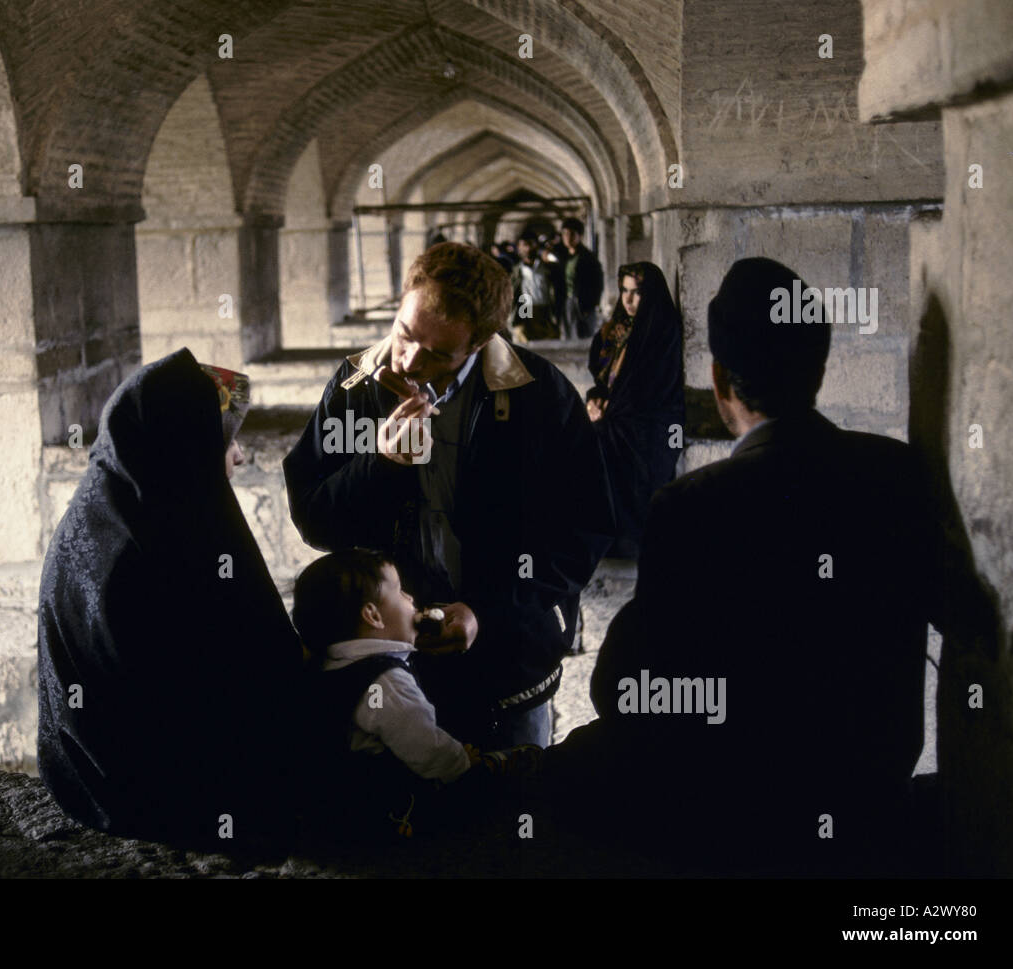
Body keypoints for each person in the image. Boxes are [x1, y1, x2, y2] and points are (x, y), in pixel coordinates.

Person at [543, 258, 944, 874]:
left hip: (749, 805)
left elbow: (628, 687)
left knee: (571, 768)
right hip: (869, 785)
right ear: (819, 366)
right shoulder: (896, 470)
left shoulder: (692, 504)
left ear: (720, 379)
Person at [283, 242, 612, 751]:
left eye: (438, 353)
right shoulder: (356, 390)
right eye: (405, 332)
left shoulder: (537, 395)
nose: (410, 359)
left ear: (480, 341)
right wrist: (380, 463)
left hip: (507, 662)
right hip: (388, 662)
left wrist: (487, 613)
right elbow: (316, 523)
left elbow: (580, 533)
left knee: (506, 800)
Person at [37, 348, 305, 848]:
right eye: (224, 440)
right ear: (186, 445)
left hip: (86, 778)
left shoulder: (112, 507)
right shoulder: (156, 545)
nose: (239, 454)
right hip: (155, 792)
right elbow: (248, 673)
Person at [292, 549, 473, 836]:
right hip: (386, 811)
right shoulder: (386, 680)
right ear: (373, 615)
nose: (412, 599)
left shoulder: (332, 665)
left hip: (335, 810)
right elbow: (427, 748)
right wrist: (465, 766)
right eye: (401, 592)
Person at [586, 262, 685, 558]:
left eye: (637, 293)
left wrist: (609, 411)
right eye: (624, 291)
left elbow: (655, 388)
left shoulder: (661, 330)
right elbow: (605, 383)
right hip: (620, 417)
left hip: (652, 423)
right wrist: (595, 400)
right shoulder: (617, 331)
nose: (628, 301)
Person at [509, 231, 559, 342]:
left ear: (536, 245)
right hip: (525, 306)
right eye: (524, 245)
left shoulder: (547, 268)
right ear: (519, 248)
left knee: (548, 342)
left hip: (544, 309)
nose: (527, 249)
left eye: (531, 244)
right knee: (525, 343)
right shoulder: (516, 271)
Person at [558, 217, 603, 340]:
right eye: (565, 234)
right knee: (568, 336)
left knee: (584, 336)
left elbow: (597, 283)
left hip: (583, 302)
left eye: (572, 234)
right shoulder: (564, 257)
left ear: (580, 236)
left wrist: (592, 304)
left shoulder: (588, 258)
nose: (568, 237)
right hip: (568, 301)